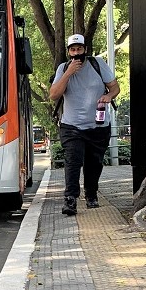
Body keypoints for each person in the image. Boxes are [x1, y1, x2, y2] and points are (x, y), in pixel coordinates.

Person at [50, 34, 119, 215]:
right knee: (73, 161)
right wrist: (68, 73)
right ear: (69, 52)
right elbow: (54, 95)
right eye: (72, 50)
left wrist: (108, 96)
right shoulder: (63, 68)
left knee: (94, 163)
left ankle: (91, 194)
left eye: (79, 49)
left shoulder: (97, 64)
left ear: (85, 50)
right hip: (72, 126)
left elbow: (115, 87)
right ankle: (70, 200)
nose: (76, 53)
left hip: (98, 125)